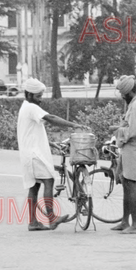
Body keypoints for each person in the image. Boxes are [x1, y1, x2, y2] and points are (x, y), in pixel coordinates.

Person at [17, 78, 88, 231]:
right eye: (38, 96)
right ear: (29, 95)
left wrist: (50, 143)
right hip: (34, 155)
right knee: (48, 180)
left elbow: (29, 133)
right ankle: (51, 218)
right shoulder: (31, 107)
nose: (40, 99)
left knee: (34, 187)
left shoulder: (25, 107)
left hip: (28, 153)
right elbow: (52, 118)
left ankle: (33, 222)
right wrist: (73, 125)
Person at [109, 75, 136, 234]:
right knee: (126, 184)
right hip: (134, 149)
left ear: (128, 93)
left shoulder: (135, 105)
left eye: (123, 94)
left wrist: (117, 131)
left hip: (134, 149)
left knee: (130, 185)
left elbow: (133, 131)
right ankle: (124, 221)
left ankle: (135, 224)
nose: (122, 97)